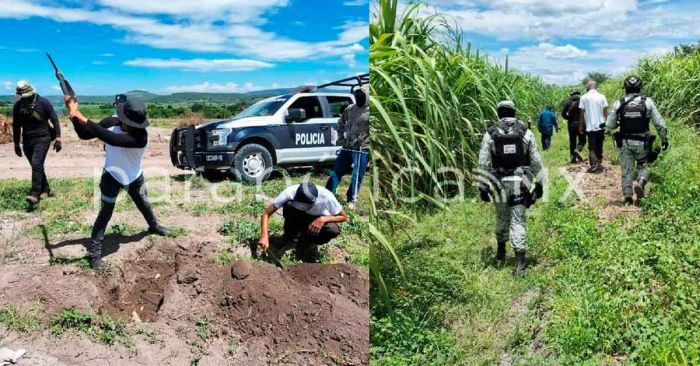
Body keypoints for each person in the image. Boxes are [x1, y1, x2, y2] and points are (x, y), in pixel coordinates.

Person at [64, 95, 170, 271]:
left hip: (135, 177)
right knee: (105, 212)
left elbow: (112, 139)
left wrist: (80, 115)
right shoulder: (110, 122)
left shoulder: (141, 137)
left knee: (144, 203)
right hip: (112, 176)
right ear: (123, 118)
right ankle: (95, 255)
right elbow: (84, 134)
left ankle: (154, 226)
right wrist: (73, 114)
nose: (134, 127)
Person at [477, 100, 544, 275]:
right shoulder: (526, 132)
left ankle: (500, 253)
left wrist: (482, 186)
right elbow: (536, 161)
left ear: (499, 113)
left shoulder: (490, 134)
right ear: (514, 112)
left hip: (499, 182)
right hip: (520, 181)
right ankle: (520, 262)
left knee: (501, 216)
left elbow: (483, 162)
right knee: (518, 219)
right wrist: (540, 183)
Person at [605, 76, 668, 206]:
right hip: (643, 142)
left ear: (625, 88)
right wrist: (664, 139)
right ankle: (641, 182)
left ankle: (628, 198)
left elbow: (610, 125)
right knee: (643, 166)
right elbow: (660, 124)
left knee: (627, 170)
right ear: (640, 88)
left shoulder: (619, 102)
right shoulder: (647, 102)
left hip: (625, 143)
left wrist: (618, 122)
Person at [259, 182, 348, 261]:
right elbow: (266, 214)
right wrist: (264, 235)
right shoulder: (290, 192)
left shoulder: (327, 197)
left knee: (332, 229)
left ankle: (309, 243)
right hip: (298, 216)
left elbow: (344, 217)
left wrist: (322, 219)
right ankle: (291, 240)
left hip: (317, 219)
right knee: (288, 205)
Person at [12, 80, 62, 204]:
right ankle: (46, 189)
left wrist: (58, 138)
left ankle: (35, 194)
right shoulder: (18, 106)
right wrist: (16, 144)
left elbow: (54, 120)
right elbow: (16, 126)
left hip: (43, 138)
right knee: (37, 166)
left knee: (36, 164)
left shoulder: (44, 103)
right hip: (27, 140)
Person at [325, 83, 369, 210]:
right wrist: (341, 138)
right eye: (357, 95)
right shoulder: (350, 109)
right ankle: (328, 193)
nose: (358, 97)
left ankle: (351, 199)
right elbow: (340, 123)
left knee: (357, 174)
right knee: (338, 170)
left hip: (362, 149)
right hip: (347, 146)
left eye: (361, 95)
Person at [579, 80, 608, 173]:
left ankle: (593, 164)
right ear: (596, 87)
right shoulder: (602, 96)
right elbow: (606, 111)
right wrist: (606, 123)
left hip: (590, 126)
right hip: (601, 125)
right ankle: (599, 161)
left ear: (588, 87)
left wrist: (580, 125)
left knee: (592, 146)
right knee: (600, 144)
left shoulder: (584, 97)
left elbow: (582, 113)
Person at [561, 90, 586, 163]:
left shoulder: (568, 102)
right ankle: (578, 149)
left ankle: (573, 158)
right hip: (581, 123)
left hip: (571, 124)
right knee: (582, 139)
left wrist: (569, 118)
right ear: (579, 94)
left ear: (571, 95)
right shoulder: (582, 101)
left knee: (572, 141)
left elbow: (563, 114)